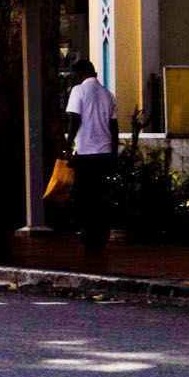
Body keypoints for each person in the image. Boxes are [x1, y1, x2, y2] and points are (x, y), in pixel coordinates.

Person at [64, 57, 117, 256]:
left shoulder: (78, 91)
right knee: (101, 195)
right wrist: (114, 155)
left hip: (85, 153)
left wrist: (67, 147)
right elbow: (114, 128)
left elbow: (74, 120)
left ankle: (88, 234)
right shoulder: (108, 95)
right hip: (104, 153)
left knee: (84, 196)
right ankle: (100, 235)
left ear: (79, 74)